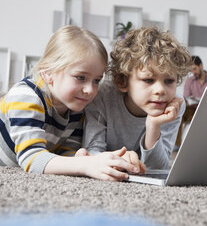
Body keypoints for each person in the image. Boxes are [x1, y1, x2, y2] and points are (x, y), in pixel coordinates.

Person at [0, 25, 140, 181]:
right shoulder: (27, 96)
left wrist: (81, 158)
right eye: (81, 77)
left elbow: (64, 150)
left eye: (96, 80)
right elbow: (32, 159)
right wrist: (86, 164)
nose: (90, 90)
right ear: (48, 73)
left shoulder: (77, 108)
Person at [82, 27, 192, 171]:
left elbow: (159, 168)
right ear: (122, 81)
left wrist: (153, 126)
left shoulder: (174, 105)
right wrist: (120, 160)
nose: (160, 90)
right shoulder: (103, 96)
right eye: (148, 80)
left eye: (169, 81)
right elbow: (91, 152)